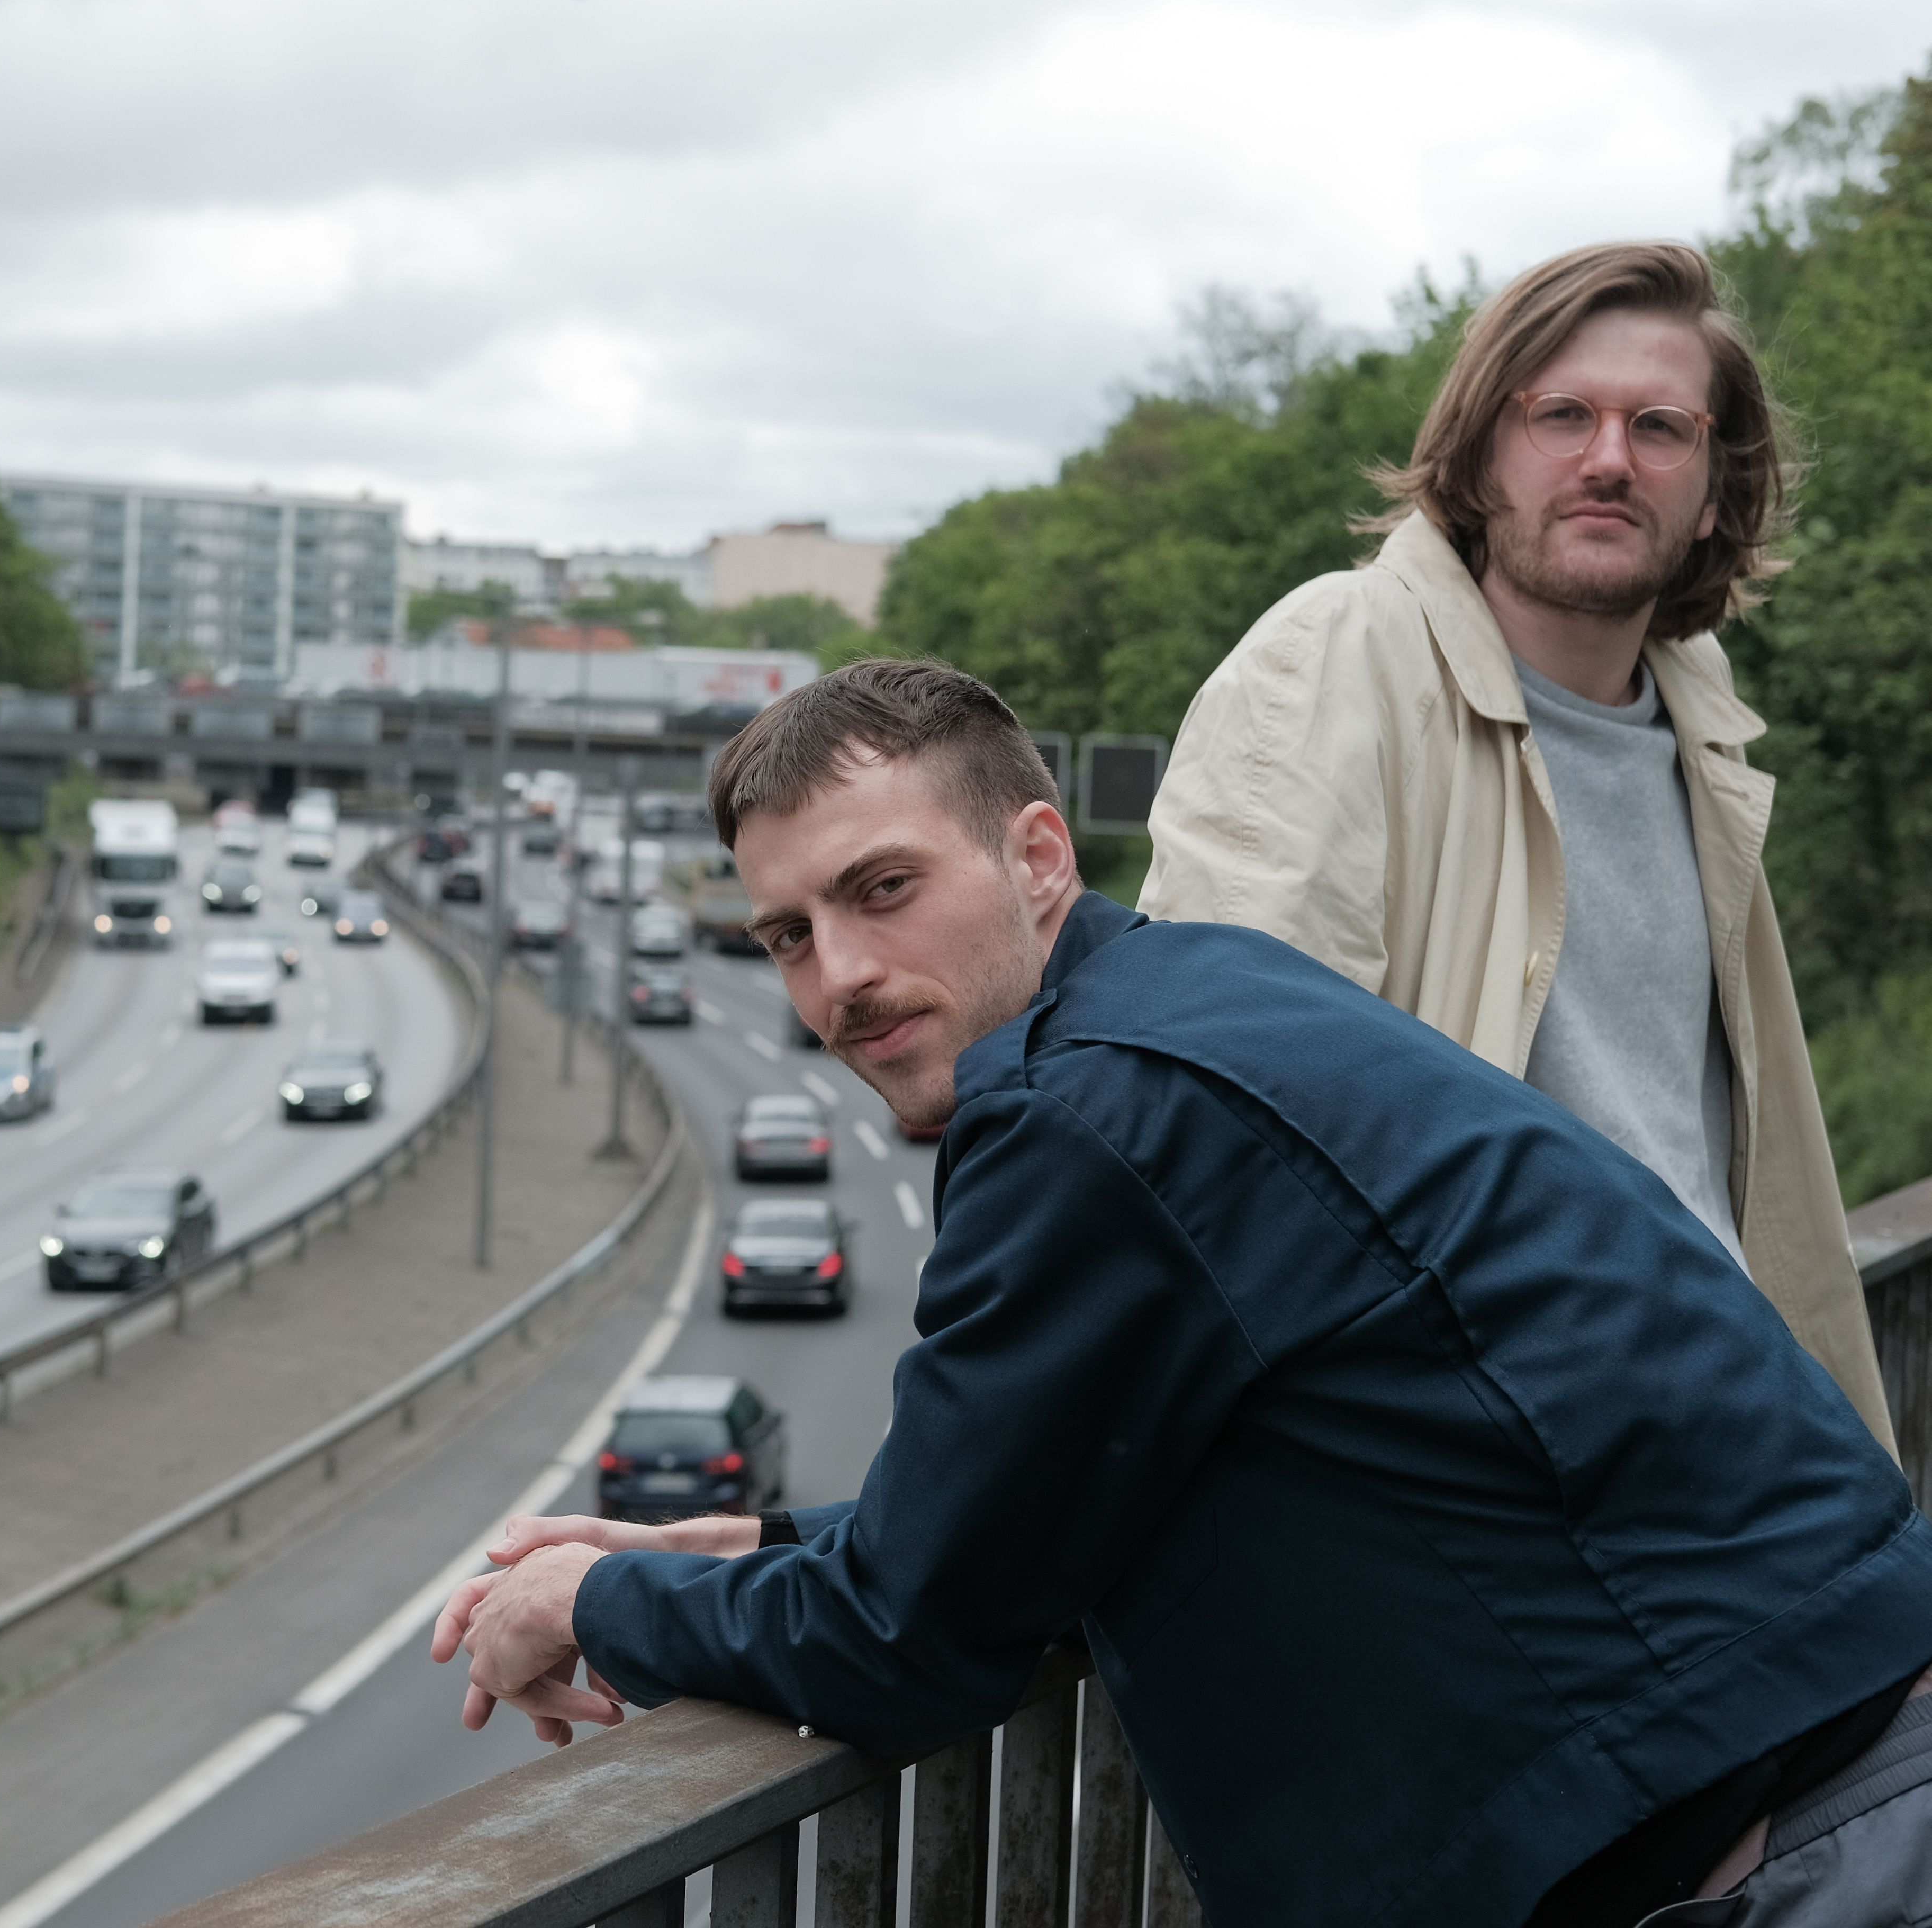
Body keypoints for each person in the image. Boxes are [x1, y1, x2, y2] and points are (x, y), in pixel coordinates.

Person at [433, 660, 1932, 1928]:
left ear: (1032, 858)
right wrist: (756, 1542)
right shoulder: (1188, 1002)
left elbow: (907, 1638)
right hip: (1830, 1766)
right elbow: (1062, 1502)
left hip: (1785, 1854)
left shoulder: (1082, 1118)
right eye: (787, 935)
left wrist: (594, 1596)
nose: (839, 978)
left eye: (879, 891)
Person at [1138, 241, 1891, 1450]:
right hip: (1485, 1463)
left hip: (1718, 1433)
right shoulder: (1336, 660)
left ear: (1711, 493)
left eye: (1659, 425)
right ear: (1483, 453)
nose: (1607, 459)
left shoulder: (1701, 724)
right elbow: (1214, 1126)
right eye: (1561, 415)